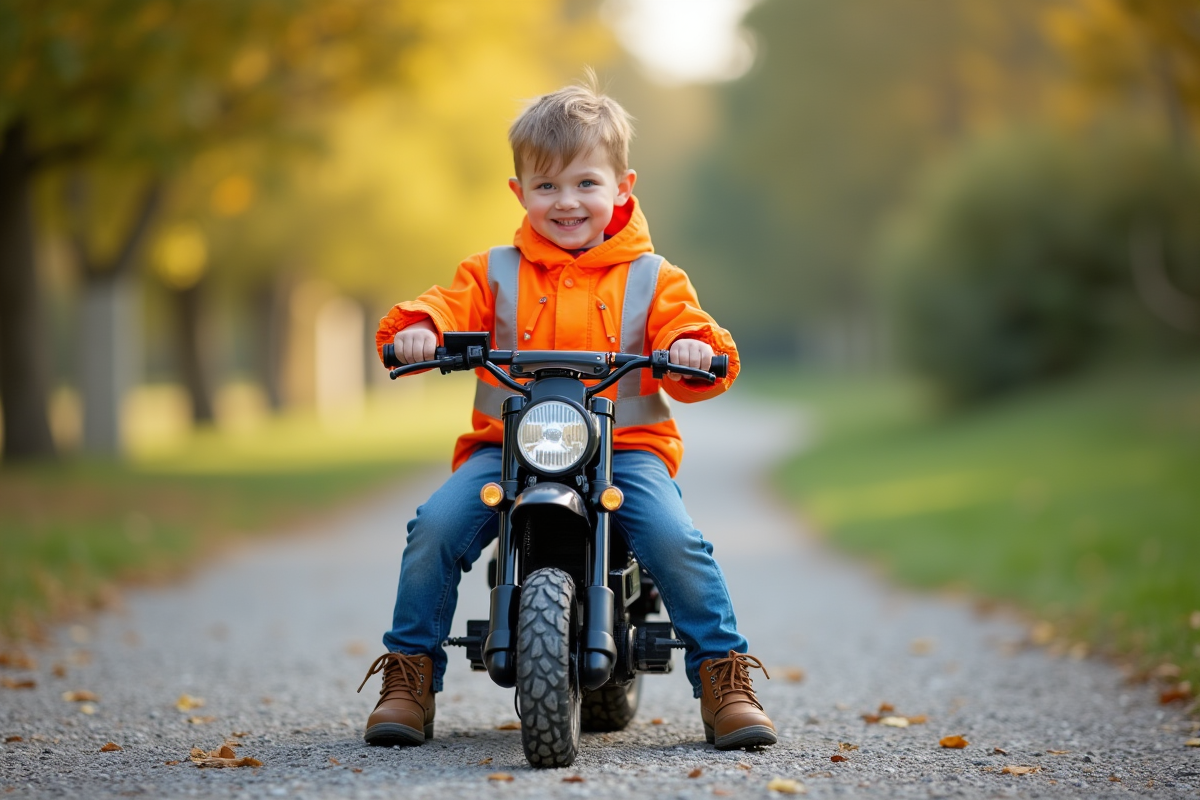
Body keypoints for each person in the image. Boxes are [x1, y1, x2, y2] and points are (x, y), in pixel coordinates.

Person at [357, 75, 776, 752]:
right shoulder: (492, 272)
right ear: (519, 192)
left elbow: (696, 338)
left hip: (627, 447)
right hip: (507, 450)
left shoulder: (653, 277)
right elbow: (439, 306)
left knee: (675, 540)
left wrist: (693, 350)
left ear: (622, 186)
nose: (567, 201)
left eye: (585, 183)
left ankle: (724, 678)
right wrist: (420, 329)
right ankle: (408, 676)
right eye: (546, 186)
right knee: (433, 528)